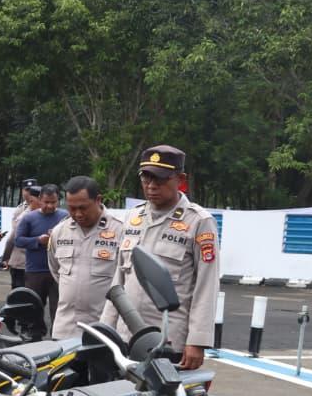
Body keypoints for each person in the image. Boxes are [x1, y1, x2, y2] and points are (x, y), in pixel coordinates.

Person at [100, 145, 220, 370]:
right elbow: (119, 281)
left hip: (168, 340)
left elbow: (207, 285)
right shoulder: (133, 217)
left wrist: (197, 340)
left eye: (161, 179)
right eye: (146, 178)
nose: (151, 186)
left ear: (180, 180)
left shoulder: (198, 221)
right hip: (126, 336)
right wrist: (106, 328)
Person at [48, 176, 124, 340]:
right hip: (65, 329)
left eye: (83, 208)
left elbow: (126, 279)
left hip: (104, 329)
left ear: (98, 200)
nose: (78, 214)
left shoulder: (120, 230)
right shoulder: (59, 231)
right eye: (72, 208)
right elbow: (55, 270)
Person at [13, 183, 68, 333]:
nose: (50, 206)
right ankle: (34, 334)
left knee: (58, 307)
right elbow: (18, 240)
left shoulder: (65, 217)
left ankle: (57, 336)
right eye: (46, 202)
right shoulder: (29, 218)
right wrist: (37, 240)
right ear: (39, 200)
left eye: (53, 202)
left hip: (59, 271)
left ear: (58, 201)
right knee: (34, 305)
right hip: (35, 270)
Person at [0, 179, 42, 289]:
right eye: (27, 190)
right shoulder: (20, 210)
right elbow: (14, 236)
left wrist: (5, 257)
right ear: (22, 191)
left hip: (36, 261)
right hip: (20, 261)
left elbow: (13, 237)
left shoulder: (41, 211)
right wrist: (7, 257)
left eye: (31, 190)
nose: (28, 193)